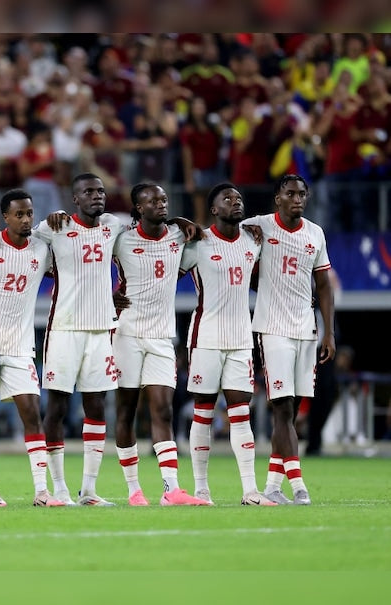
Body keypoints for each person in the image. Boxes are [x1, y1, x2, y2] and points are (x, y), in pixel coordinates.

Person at [10, 173, 127, 506]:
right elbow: (20, 241)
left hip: (101, 329)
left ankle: (89, 489)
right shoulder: (53, 228)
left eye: (101, 191)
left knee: (96, 406)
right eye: (88, 192)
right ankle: (59, 488)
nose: (96, 196)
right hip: (64, 328)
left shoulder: (113, 225)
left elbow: (145, 236)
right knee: (58, 407)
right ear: (74, 199)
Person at [0, 188, 64, 507]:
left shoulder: (42, 249)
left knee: (32, 412)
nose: (25, 219)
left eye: (29, 214)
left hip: (19, 346)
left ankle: (41, 491)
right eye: (18, 214)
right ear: (4, 216)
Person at [112, 182, 210, 506]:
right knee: (126, 411)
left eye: (164, 199)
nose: (161, 204)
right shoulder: (122, 239)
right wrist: (106, 296)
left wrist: (185, 222)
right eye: (152, 200)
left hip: (161, 337)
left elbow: (191, 252)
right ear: (138, 207)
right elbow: (88, 267)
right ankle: (133, 489)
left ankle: (171, 489)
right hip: (125, 334)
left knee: (163, 409)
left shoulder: (179, 236)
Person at [180, 183, 276, 506]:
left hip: (240, 340)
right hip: (205, 338)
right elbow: (164, 273)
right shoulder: (198, 243)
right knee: (203, 413)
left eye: (238, 198)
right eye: (227, 199)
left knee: (240, 414)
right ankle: (201, 489)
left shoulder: (253, 241)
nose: (235, 202)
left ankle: (250, 490)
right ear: (213, 210)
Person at [244, 174, 336, 505]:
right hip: (272, 329)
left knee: (293, 411)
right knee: (282, 408)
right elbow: (226, 240)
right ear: (277, 198)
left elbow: (323, 285)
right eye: (290, 193)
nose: (297, 199)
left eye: (302, 194)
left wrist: (329, 331)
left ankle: (271, 487)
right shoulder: (258, 226)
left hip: (306, 331)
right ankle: (299, 486)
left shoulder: (315, 233)